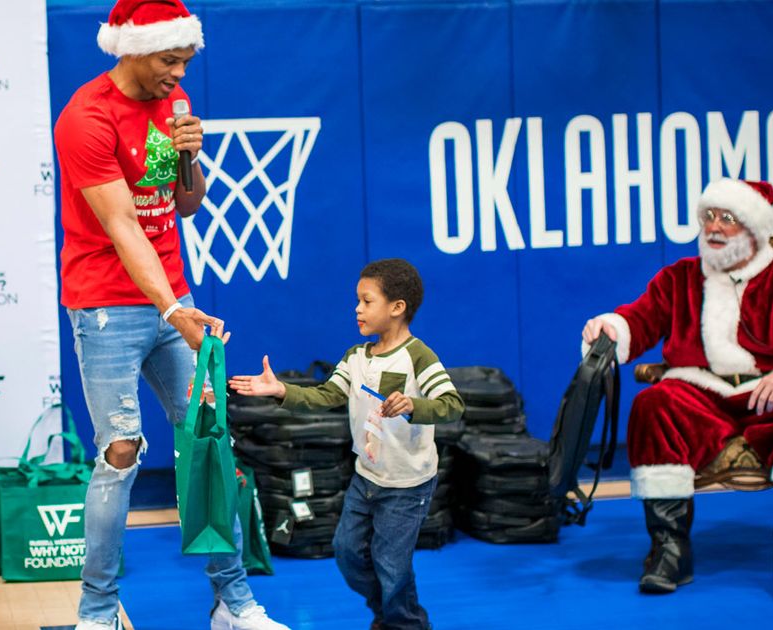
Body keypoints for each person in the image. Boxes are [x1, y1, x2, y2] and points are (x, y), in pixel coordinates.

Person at [53, 1, 290, 629]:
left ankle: (233, 605)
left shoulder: (172, 104)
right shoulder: (86, 117)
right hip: (107, 305)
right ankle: (97, 613)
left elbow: (184, 205)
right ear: (132, 50)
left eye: (185, 60)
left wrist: (190, 158)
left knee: (210, 441)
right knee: (120, 451)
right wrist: (173, 306)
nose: (180, 72)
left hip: (171, 300)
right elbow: (122, 224)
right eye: (169, 59)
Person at [581, 178, 773, 598]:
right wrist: (610, 328)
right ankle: (670, 548)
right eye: (709, 216)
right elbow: (640, 319)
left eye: (727, 218)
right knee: (654, 405)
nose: (714, 226)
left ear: (753, 227)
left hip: (770, 393)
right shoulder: (680, 278)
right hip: (701, 393)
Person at [230, 259, 464, 630]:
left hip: (407, 486)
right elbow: (325, 395)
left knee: (391, 563)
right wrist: (280, 390)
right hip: (365, 478)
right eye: (358, 300)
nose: (357, 308)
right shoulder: (355, 357)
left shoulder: (419, 357)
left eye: (367, 301)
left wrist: (413, 405)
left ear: (397, 307)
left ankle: (405, 624)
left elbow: (452, 405)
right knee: (347, 553)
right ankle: (390, 615)